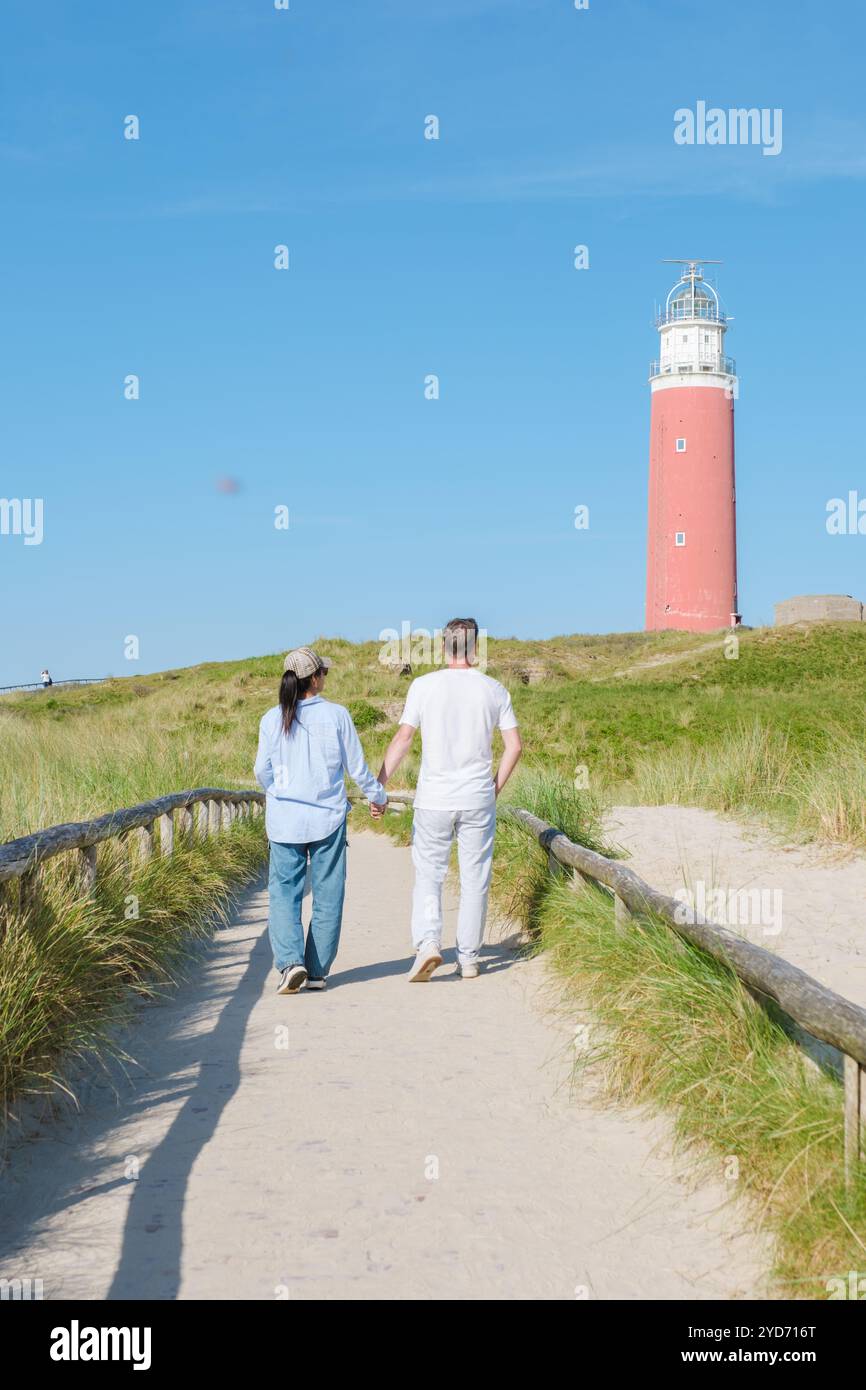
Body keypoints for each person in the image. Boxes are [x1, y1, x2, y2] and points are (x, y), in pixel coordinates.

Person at [377, 618, 522, 982]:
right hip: (477, 798)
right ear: (476, 648)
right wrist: (494, 787)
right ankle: (469, 958)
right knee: (476, 879)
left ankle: (428, 944)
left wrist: (380, 784)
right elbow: (514, 747)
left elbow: (404, 739)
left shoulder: (423, 686)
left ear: (444, 647)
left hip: (434, 798)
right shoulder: (494, 689)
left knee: (430, 875)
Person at [254, 647, 387, 994]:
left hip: (285, 823)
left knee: (284, 893)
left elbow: (261, 771)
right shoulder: (337, 715)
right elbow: (356, 767)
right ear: (314, 678)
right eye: (323, 673)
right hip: (328, 820)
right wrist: (378, 797)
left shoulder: (271, 719)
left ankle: (290, 963)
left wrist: (280, 793)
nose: (325, 677)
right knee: (328, 894)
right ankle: (316, 971)